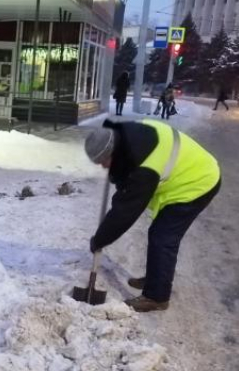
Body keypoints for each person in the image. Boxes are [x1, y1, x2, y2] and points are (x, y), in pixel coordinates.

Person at [84, 118, 221, 312]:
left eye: (103, 161)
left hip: (198, 182)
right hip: (193, 169)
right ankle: (157, 277)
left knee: (163, 237)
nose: (103, 167)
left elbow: (126, 211)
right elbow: (125, 189)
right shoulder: (127, 135)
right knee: (159, 233)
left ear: (113, 152)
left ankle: (157, 297)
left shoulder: (144, 169)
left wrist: (100, 239)